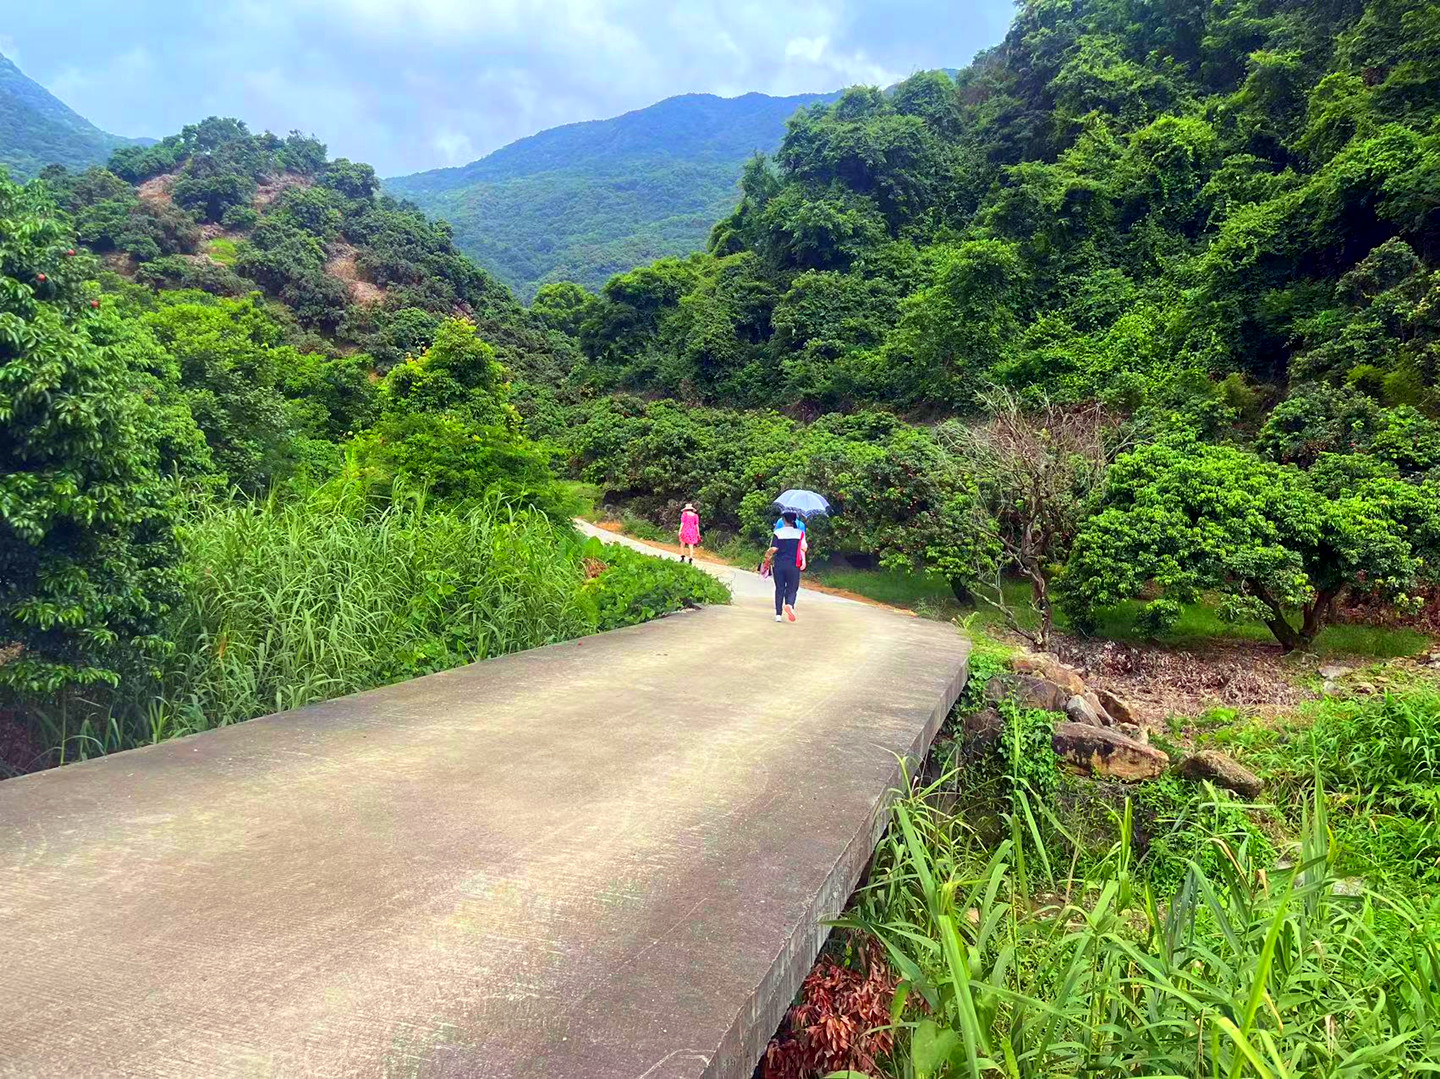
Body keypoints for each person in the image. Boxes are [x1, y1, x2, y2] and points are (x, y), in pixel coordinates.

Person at [766, 512, 805, 622]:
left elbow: (774, 548)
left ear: (784, 520)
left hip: (779, 564)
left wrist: (767, 555)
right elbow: (804, 548)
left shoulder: (778, 532)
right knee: (792, 588)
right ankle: (789, 604)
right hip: (793, 565)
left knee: (780, 588)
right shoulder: (800, 533)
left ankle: (778, 615)